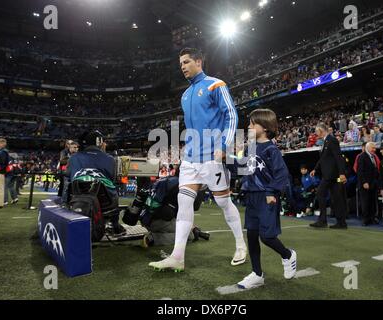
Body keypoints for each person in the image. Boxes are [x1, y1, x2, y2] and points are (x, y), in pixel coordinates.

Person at [149, 48, 247, 272]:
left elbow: (231, 114)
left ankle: (241, 245)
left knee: (223, 202)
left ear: (198, 61)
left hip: (212, 156)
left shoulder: (216, 85)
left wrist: (224, 146)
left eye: (186, 62)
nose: (182, 66)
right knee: (184, 203)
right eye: (180, 63)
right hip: (191, 158)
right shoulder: (185, 94)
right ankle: (177, 256)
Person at [236, 109, 296, 289]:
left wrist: (271, 192)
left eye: (252, 124)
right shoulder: (250, 147)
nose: (248, 126)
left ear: (265, 127)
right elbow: (241, 170)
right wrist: (226, 159)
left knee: (267, 236)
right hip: (252, 197)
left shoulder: (272, 149)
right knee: (252, 236)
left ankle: (287, 255)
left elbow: (282, 174)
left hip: (266, 197)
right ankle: (257, 274)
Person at [67, 130, 126, 236]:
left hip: (77, 199)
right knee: (113, 188)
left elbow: (68, 175)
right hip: (104, 202)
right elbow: (112, 178)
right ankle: (114, 225)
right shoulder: (109, 159)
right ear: (99, 142)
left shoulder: (74, 158)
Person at [310, 124, 348, 229]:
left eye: (317, 131)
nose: (316, 134)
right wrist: (315, 169)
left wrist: (342, 173)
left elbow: (339, 157)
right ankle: (341, 223)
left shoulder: (332, 140)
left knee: (320, 193)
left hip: (331, 175)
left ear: (322, 131)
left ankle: (322, 221)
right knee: (336, 198)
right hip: (330, 175)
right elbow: (322, 159)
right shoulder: (326, 141)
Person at [357, 142, 380, 226]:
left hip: (373, 183)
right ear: (368, 148)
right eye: (373, 148)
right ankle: (365, 219)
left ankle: (372, 218)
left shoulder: (373, 157)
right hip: (365, 184)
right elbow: (360, 171)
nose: (375, 149)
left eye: (374, 148)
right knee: (365, 202)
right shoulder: (362, 157)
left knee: (372, 201)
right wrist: (364, 182)